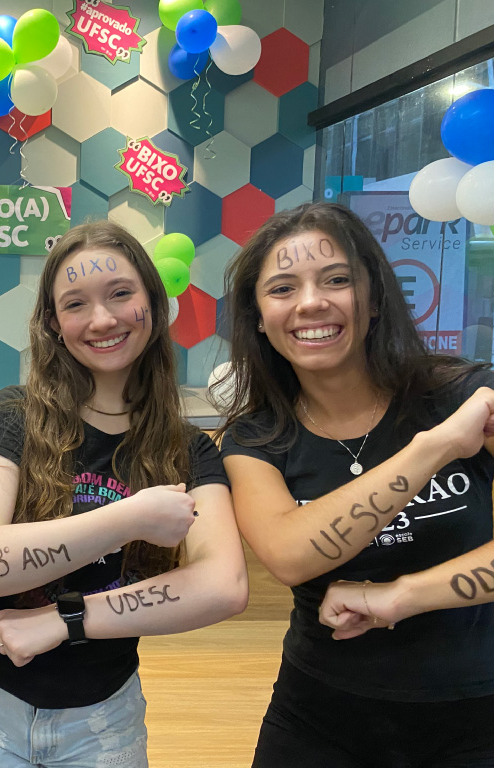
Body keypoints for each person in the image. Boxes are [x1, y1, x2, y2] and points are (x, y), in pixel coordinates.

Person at [0, 220, 248, 767]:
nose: (102, 320)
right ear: (54, 323)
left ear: (152, 302)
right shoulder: (12, 414)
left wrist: (67, 620)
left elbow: (224, 586)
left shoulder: (189, 448)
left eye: (121, 294)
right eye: (76, 304)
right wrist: (130, 518)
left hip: (104, 715)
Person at [218, 202, 494, 767]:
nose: (312, 302)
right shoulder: (255, 439)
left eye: (337, 280)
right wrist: (434, 447)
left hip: (476, 714)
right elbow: (291, 555)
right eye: (282, 288)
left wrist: (396, 597)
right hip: (320, 716)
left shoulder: (466, 395)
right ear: (260, 320)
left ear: (373, 300)